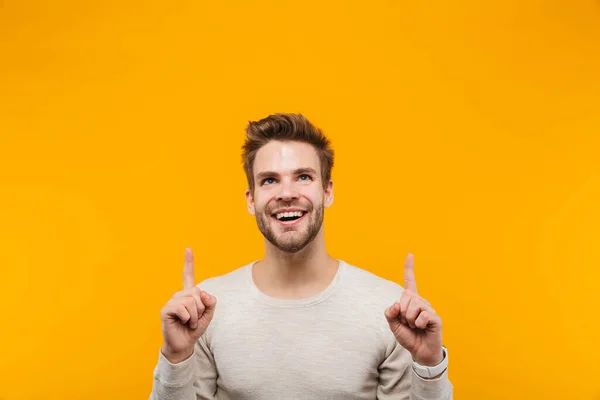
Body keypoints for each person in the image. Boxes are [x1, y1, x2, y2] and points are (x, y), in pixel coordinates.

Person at [149, 113, 453, 399]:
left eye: (303, 177)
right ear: (251, 200)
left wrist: (428, 367)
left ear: (328, 191)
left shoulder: (392, 311)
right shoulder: (205, 310)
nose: (286, 193)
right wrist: (176, 358)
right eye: (269, 180)